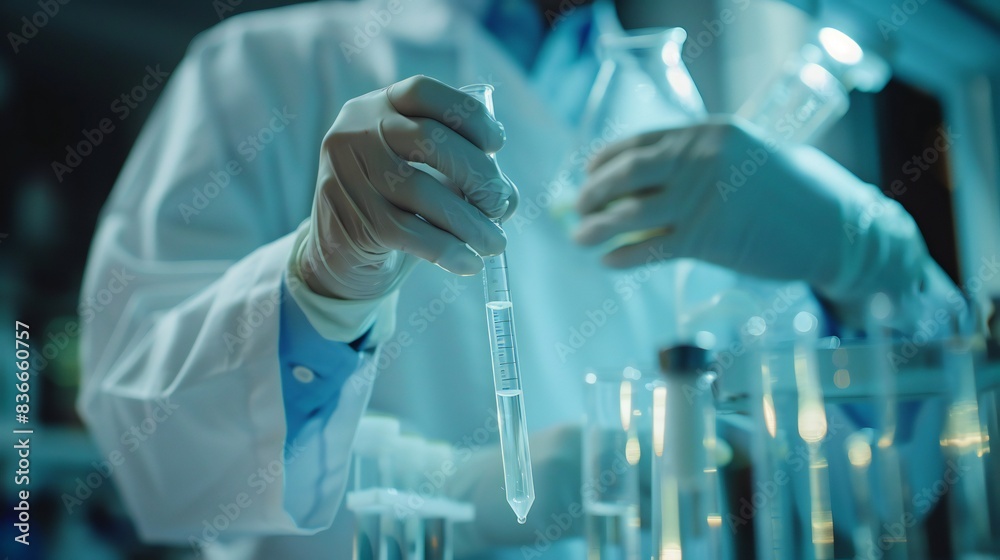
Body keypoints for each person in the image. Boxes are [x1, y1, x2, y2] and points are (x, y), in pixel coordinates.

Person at [77, 0, 956, 558]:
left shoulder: (688, 125)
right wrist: (321, 288)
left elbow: (878, 482)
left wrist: (873, 261)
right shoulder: (264, 70)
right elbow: (153, 445)